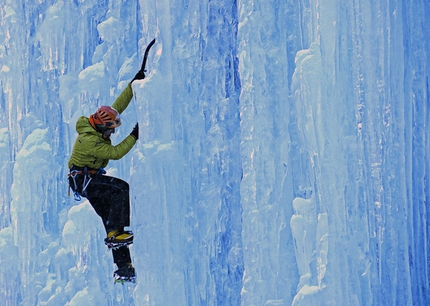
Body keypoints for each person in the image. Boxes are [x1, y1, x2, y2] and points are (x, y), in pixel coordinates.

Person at [68, 70, 145, 282]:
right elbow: (116, 153)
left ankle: (123, 269)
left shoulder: (97, 128)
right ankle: (116, 236)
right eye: (111, 130)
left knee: (113, 226)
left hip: (87, 180)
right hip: (85, 181)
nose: (112, 133)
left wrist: (134, 84)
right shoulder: (90, 141)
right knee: (121, 189)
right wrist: (134, 135)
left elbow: (117, 106)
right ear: (102, 127)